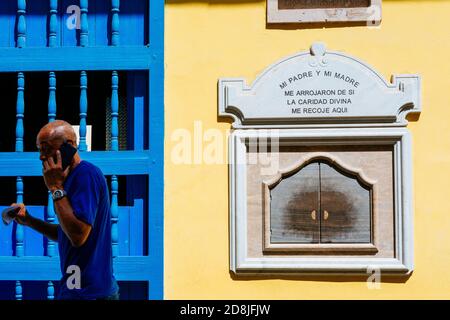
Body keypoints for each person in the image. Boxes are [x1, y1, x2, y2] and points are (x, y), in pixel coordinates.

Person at [10, 120, 119, 300]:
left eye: (46, 148)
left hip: (90, 293)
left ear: (69, 147)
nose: (41, 157)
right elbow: (66, 233)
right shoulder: (69, 178)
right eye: (39, 149)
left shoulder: (85, 175)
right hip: (76, 289)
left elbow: (78, 236)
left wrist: (55, 188)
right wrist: (29, 220)